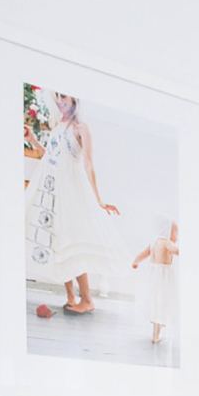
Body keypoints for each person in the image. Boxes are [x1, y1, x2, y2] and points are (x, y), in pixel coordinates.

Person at [24, 92, 125, 315]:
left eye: (65, 99)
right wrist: (32, 140)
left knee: (73, 243)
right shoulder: (58, 126)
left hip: (70, 189)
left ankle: (87, 299)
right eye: (58, 98)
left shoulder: (82, 128)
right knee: (59, 243)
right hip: (52, 189)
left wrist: (97, 199)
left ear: (75, 101)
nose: (60, 102)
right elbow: (49, 156)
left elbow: (88, 163)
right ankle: (70, 296)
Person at [132, 222, 179, 343]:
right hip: (164, 278)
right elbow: (175, 250)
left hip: (153, 278)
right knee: (162, 304)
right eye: (175, 232)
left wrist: (135, 262)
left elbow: (143, 254)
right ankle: (156, 336)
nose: (177, 235)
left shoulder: (153, 242)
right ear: (168, 232)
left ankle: (158, 326)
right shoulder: (167, 243)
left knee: (156, 303)